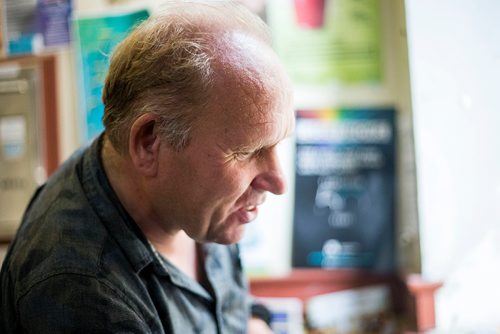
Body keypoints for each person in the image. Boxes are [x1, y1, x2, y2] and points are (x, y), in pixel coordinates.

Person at [0, 1, 294, 333]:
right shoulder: (86, 298)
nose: (277, 180)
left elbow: (228, 307)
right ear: (149, 142)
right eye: (248, 151)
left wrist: (255, 322)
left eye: (275, 144)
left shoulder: (191, 195)